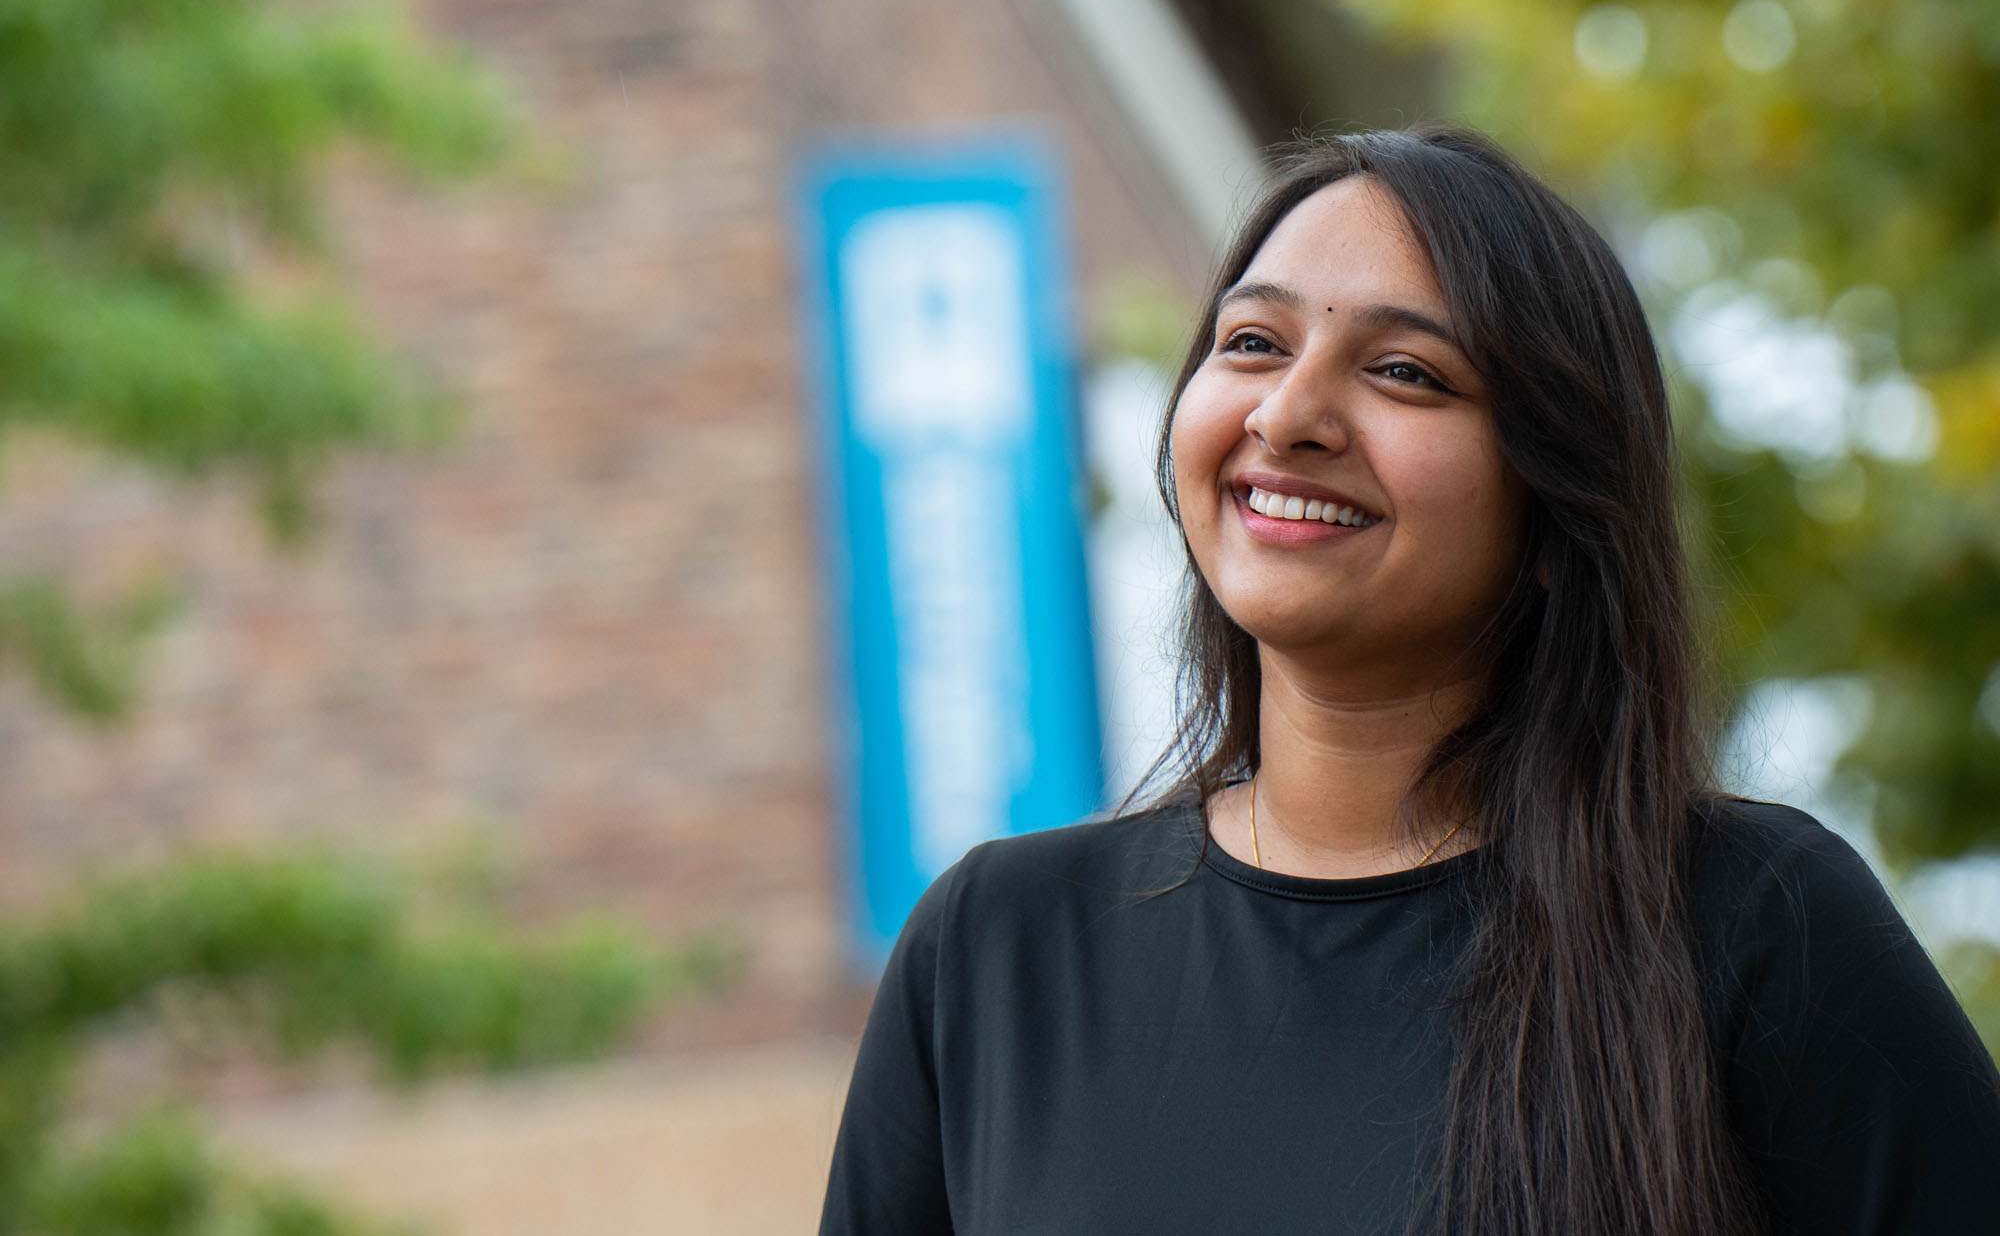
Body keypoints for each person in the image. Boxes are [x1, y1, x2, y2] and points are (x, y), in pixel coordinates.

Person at [816, 125, 2000, 1236]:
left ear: (1553, 507)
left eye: (1401, 372)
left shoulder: (1753, 927)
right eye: (1251, 343)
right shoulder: (992, 953)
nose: (1286, 415)